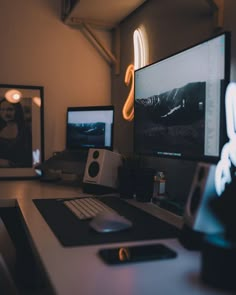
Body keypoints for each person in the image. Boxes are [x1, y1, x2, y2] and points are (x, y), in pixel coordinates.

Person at [0, 98, 32, 167]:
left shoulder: (25, 130)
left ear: (17, 110)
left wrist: (9, 164)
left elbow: (30, 159)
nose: (5, 113)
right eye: (2, 109)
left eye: (10, 109)